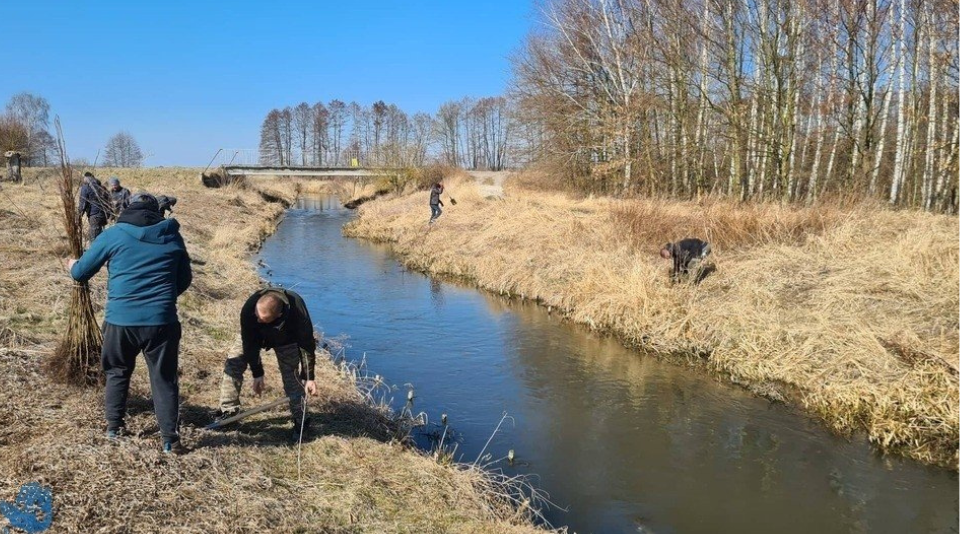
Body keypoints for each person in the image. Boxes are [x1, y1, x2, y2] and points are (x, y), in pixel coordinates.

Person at [67, 192, 193, 454]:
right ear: (157, 212)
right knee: (164, 378)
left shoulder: (114, 234)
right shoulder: (172, 235)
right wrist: (162, 298)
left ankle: (114, 428)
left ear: (127, 208)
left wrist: (72, 265)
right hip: (162, 322)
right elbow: (184, 280)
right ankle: (170, 440)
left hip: (120, 321)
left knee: (117, 371)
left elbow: (81, 273)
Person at [218, 288, 319, 439]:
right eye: (257, 316)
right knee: (234, 363)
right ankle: (228, 411)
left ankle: (301, 420)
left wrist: (309, 377)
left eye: (263, 319)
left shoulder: (297, 309)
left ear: (279, 314)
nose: (258, 320)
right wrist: (257, 373)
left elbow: (306, 344)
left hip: (287, 339)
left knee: (291, 377)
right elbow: (249, 345)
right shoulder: (249, 309)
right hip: (254, 336)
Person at [77, 172, 110, 241]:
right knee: (102, 235)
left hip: (95, 215)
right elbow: (108, 200)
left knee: (94, 238)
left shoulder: (86, 187)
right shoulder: (102, 187)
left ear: (86, 178)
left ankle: (94, 251)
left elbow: (83, 202)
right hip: (104, 215)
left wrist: (79, 215)